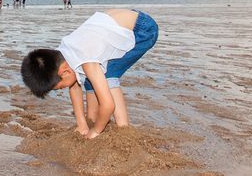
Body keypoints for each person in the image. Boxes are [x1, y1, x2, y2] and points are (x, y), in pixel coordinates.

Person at [21, 9, 158, 138]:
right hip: (118, 23)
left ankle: (123, 130)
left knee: (109, 75)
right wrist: (82, 124)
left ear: (64, 72)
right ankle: (91, 118)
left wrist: (96, 131)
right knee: (88, 78)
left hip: (143, 30)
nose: (63, 88)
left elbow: (108, 105)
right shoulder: (63, 56)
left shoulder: (87, 60)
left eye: (60, 87)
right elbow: (74, 85)